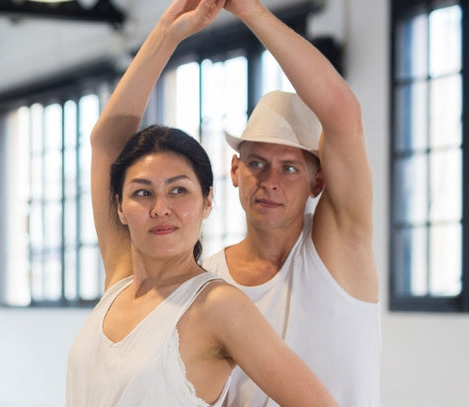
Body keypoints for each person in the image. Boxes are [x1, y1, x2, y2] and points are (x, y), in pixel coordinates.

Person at [65, 1, 336, 406]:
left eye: (179, 190)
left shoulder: (219, 306)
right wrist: (167, 31)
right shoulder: (119, 280)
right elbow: (107, 139)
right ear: (119, 206)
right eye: (142, 192)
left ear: (208, 201)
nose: (160, 208)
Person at [198, 0, 381, 406]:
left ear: (318, 182)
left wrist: (251, 12)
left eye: (290, 169)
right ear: (234, 170)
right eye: (257, 163)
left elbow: (343, 113)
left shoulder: (339, 247)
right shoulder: (205, 281)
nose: (270, 182)